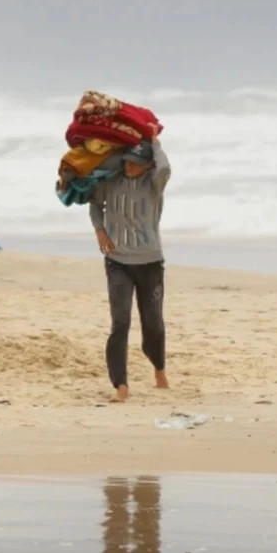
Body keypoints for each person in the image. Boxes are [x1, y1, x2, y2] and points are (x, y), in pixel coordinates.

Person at [88, 139, 172, 403]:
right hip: (117, 261)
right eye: (126, 161)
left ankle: (159, 369)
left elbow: (165, 168)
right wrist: (100, 230)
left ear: (148, 165)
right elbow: (94, 204)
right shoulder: (111, 181)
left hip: (150, 263)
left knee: (153, 324)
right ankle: (121, 385)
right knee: (120, 322)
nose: (129, 167)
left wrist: (155, 143)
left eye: (136, 163)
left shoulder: (153, 186)